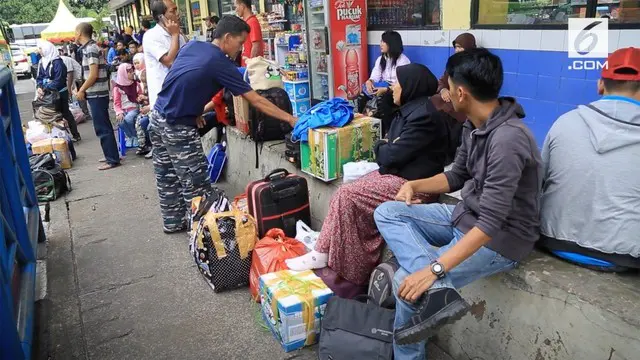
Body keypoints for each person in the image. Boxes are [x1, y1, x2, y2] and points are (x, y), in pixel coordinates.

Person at [373, 48, 542, 359]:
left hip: (501, 239)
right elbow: (457, 175)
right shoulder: (474, 125)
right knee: (388, 212)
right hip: (464, 215)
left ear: (461, 93)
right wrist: (413, 184)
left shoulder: (508, 140)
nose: (445, 92)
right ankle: (439, 294)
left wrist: (434, 270)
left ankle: (409, 349)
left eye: (447, 87)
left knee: (407, 283)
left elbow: (490, 224)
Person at [286, 63, 449, 287]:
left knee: (348, 195)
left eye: (398, 84)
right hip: (397, 176)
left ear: (411, 86)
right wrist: (386, 146)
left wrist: (383, 146)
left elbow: (390, 154)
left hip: (414, 186)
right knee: (348, 188)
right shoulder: (410, 111)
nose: (393, 88)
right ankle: (322, 249)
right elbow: (389, 148)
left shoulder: (424, 117)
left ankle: (349, 272)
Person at [150, 15, 296, 233]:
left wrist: (195, 108)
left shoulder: (193, 46)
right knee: (195, 180)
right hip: (177, 126)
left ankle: (173, 223)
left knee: (167, 177)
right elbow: (255, 100)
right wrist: (291, 119)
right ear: (227, 38)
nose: (240, 49)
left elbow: (181, 78)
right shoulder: (220, 63)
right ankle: (204, 238)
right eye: (240, 43)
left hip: (157, 116)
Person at [539, 47, 640, 272]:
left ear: (600, 84)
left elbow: (539, 181)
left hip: (553, 240)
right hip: (624, 255)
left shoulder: (565, 122)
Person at [75, 22, 121, 170]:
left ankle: (112, 159)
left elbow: (93, 74)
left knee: (102, 127)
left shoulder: (90, 49)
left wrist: (81, 89)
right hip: (97, 93)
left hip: (97, 93)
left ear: (79, 33)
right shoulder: (92, 48)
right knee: (102, 125)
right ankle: (111, 155)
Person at [432, 33, 477, 163]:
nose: (457, 50)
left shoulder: (475, 66)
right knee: (432, 103)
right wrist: (443, 90)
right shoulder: (453, 64)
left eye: (460, 47)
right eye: (456, 47)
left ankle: (448, 156)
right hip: (448, 101)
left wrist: (453, 95)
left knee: (448, 117)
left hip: (462, 103)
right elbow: (442, 81)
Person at [144, 0, 187, 109]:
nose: (177, 14)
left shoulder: (178, 36)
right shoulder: (151, 36)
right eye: (173, 11)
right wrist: (175, 35)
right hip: (165, 101)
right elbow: (170, 61)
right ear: (161, 17)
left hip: (182, 95)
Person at [35, 40, 82, 142]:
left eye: (41, 49)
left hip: (60, 92)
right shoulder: (42, 62)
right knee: (51, 115)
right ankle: (58, 137)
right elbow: (39, 77)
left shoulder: (58, 62)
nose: (39, 51)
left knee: (64, 113)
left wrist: (44, 88)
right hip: (48, 93)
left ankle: (74, 135)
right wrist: (39, 87)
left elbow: (59, 80)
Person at [364, 30, 410, 96]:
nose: (381, 44)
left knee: (382, 90)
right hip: (383, 86)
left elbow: (401, 85)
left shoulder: (403, 61)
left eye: (384, 42)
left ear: (392, 44)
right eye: (381, 41)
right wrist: (370, 81)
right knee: (366, 87)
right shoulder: (380, 59)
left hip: (395, 90)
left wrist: (386, 89)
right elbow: (375, 76)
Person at [60, 53, 90, 132]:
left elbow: (70, 73)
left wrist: (69, 88)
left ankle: (85, 113)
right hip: (76, 79)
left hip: (80, 78)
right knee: (78, 96)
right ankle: (84, 113)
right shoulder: (60, 61)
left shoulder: (64, 60)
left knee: (80, 95)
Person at [113, 63, 141, 145]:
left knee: (128, 118)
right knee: (120, 121)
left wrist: (139, 98)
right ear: (123, 74)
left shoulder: (136, 85)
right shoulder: (117, 88)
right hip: (123, 110)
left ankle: (135, 136)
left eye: (132, 71)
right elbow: (116, 103)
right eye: (130, 72)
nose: (132, 73)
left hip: (134, 108)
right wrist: (119, 112)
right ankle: (130, 136)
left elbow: (140, 96)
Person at [234, 0, 263, 67]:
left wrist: (250, 64)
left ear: (242, 6)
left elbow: (256, 46)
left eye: (236, 7)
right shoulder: (246, 22)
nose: (236, 10)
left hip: (251, 67)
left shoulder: (252, 22)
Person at [135, 69, 152, 157]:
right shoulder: (144, 88)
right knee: (139, 120)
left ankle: (153, 146)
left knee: (146, 123)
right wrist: (143, 100)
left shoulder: (154, 87)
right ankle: (143, 145)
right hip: (148, 110)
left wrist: (148, 107)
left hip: (155, 111)